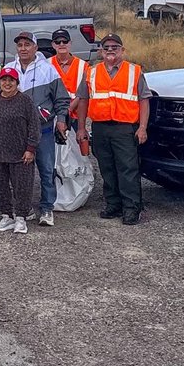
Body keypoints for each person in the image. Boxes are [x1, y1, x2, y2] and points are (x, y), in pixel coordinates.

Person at [75, 33, 151, 226]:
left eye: (114, 47)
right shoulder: (91, 72)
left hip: (125, 128)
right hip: (100, 128)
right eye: (106, 47)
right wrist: (82, 127)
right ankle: (113, 205)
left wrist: (142, 128)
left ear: (122, 50)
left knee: (128, 169)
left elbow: (144, 101)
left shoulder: (134, 71)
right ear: (101, 51)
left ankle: (132, 208)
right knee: (106, 168)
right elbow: (83, 100)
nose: (110, 50)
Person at [4, 31, 69, 227]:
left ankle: (47, 208)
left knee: (46, 169)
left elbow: (61, 99)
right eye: (20, 45)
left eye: (27, 44)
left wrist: (61, 119)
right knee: (19, 172)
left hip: (44, 129)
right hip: (17, 132)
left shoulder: (48, 70)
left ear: (35, 47)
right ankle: (25, 208)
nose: (23, 48)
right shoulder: (8, 69)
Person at [0, 67, 39, 234]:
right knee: (0, 186)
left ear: (17, 83)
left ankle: (21, 217)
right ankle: (6, 215)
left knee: (22, 185)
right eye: (4, 80)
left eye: (11, 80)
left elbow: (34, 127)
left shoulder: (25, 101)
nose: (7, 83)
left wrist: (30, 148)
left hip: (20, 153)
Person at [49, 29, 87, 135]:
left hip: (76, 116)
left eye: (65, 41)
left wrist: (69, 109)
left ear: (70, 43)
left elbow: (84, 92)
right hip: (53, 115)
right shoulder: (46, 65)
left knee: (77, 149)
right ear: (53, 44)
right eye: (57, 42)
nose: (61, 44)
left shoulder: (83, 65)